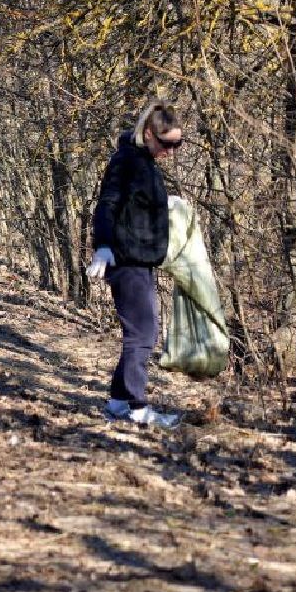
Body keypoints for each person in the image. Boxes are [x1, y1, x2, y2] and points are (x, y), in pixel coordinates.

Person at [86, 98, 185, 428]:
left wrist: (165, 206)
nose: (171, 151)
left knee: (140, 331)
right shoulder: (126, 160)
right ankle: (137, 406)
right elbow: (107, 205)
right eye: (167, 143)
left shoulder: (145, 162)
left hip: (140, 259)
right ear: (148, 134)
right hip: (124, 258)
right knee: (143, 332)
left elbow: (137, 204)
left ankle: (117, 404)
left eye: (177, 144)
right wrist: (102, 246)